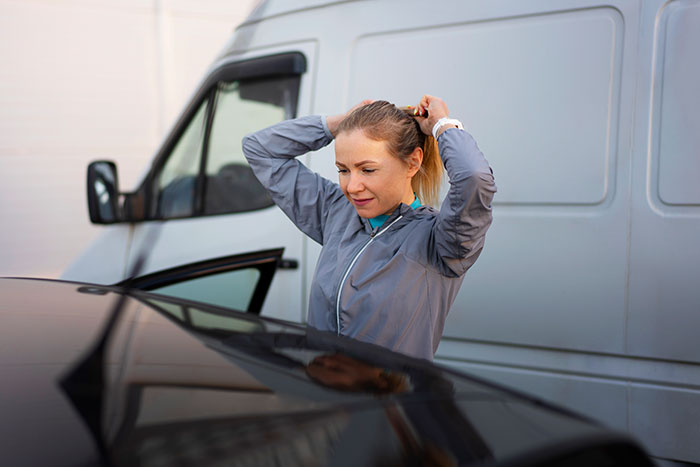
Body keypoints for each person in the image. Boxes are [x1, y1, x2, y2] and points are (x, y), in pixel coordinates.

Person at [242, 95, 496, 360]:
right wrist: (339, 125)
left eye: (367, 170)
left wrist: (442, 126)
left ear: (413, 162)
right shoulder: (337, 212)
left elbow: (474, 178)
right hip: (323, 391)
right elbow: (260, 148)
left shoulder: (442, 241)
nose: (352, 187)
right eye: (343, 170)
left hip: (389, 400)